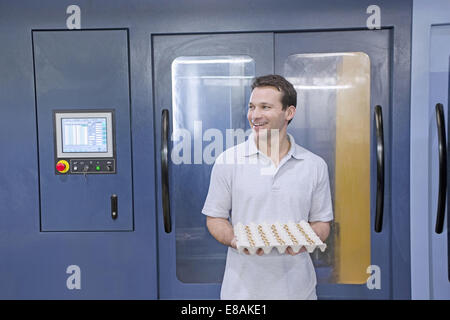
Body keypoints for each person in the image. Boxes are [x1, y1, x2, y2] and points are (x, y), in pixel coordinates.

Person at [202, 74, 333, 300]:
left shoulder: (314, 165)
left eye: (265, 107)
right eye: (252, 107)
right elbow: (215, 218)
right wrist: (235, 240)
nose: (255, 115)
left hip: (298, 292)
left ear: (289, 113)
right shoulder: (228, 161)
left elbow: (322, 222)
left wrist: (306, 240)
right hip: (241, 294)